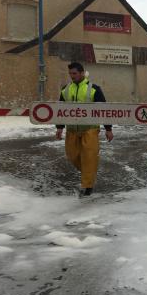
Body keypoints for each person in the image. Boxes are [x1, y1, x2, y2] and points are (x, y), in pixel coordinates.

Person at [56, 62, 113, 196]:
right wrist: (59, 127)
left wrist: (108, 129)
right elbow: (59, 110)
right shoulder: (65, 89)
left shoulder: (94, 89)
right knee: (72, 156)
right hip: (72, 130)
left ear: (82, 73)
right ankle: (89, 173)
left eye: (74, 73)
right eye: (70, 73)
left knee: (89, 157)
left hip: (90, 130)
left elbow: (104, 110)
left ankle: (87, 186)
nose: (72, 76)